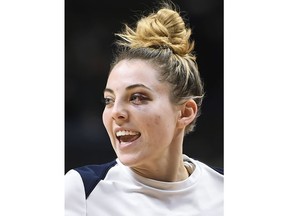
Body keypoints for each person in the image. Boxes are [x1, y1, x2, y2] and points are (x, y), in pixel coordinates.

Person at [65, 1, 223, 215]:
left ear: (185, 112)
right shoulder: (81, 191)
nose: (116, 112)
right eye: (109, 100)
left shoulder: (223, 191)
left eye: (137, 97)